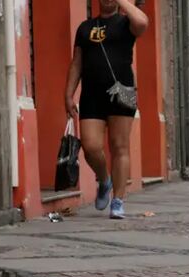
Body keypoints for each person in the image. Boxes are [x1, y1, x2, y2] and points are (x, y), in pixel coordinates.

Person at [65, 0, 149, 219]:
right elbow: (76, 63)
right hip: (92, 94)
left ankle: (118, 201)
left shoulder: (126, 23)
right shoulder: (85, 28)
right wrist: (68, 93)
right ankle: (104, 179)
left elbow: (142, 21)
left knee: (120, 147)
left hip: (122, 92)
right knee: (91, 146)